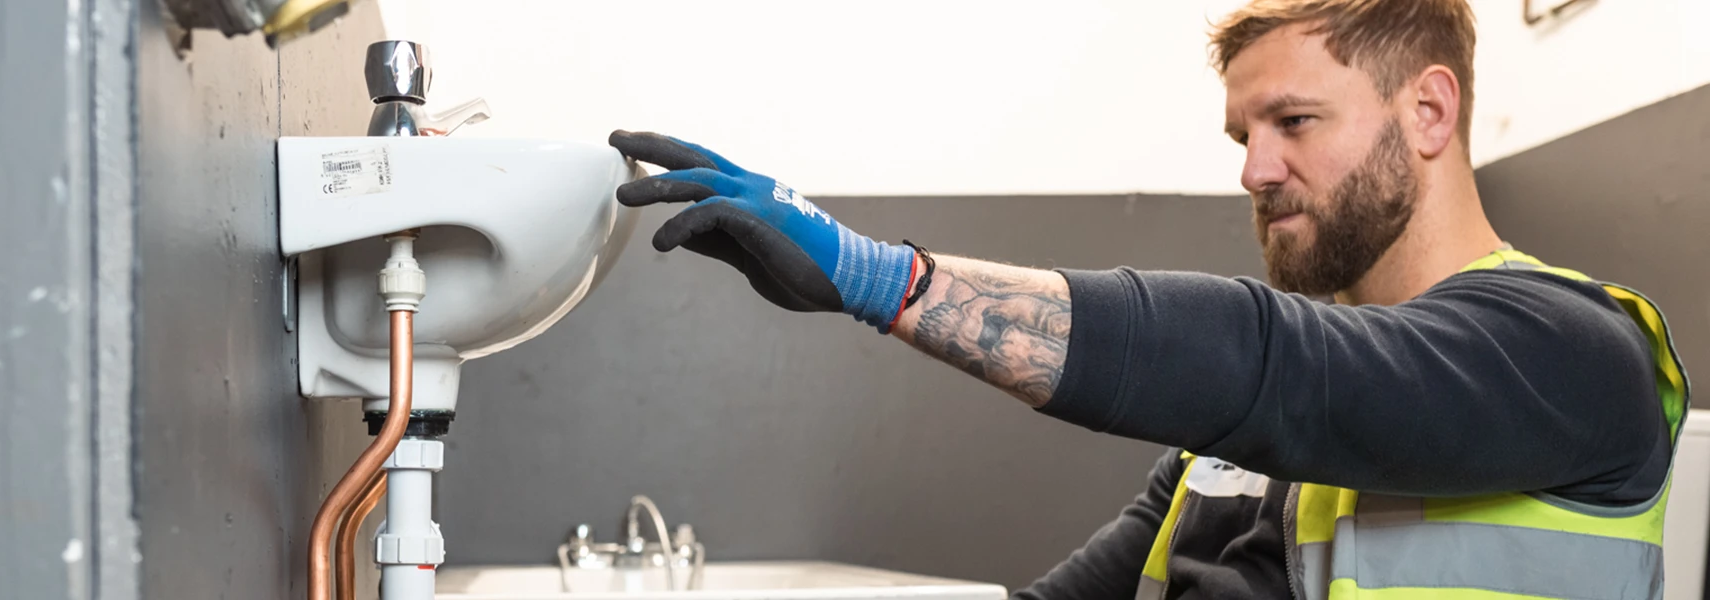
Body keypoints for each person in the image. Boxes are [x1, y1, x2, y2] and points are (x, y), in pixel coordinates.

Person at [606, 0, 1690, 598]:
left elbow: (1277, 366)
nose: (1252, 171)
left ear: (1427, 111)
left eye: (1293, 123)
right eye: (1239, 136)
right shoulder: (1223, 452)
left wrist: (874, 277)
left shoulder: (1576, 354)